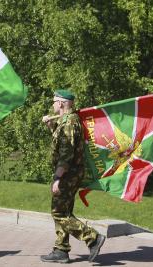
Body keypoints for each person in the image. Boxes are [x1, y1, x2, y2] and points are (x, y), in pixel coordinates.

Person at [40, 89, 105, 263]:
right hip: (72, 172)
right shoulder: (68, 121)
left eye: (54, 101)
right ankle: (61, 250)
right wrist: (51, 126)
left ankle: (92, 238)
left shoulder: (69, 122)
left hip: (68, 173)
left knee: (58, 212)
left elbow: (66, 153)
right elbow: (62, 142)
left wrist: (58, 178)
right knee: (64, 211)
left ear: (61, 103)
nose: (53, 104)